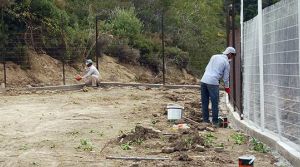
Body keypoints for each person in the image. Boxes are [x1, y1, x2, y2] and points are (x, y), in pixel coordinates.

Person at [200, 47, 236, 126]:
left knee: (205, 102)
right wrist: (227, 88)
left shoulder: (214, 56)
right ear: (230, 54)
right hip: (213, 82)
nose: (232, 58)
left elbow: (206, 68)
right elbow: (226, 78)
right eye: (233, 56)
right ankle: (215, 122)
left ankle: (205, 121)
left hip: (203, 80)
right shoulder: (226, 63)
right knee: (215, 102)